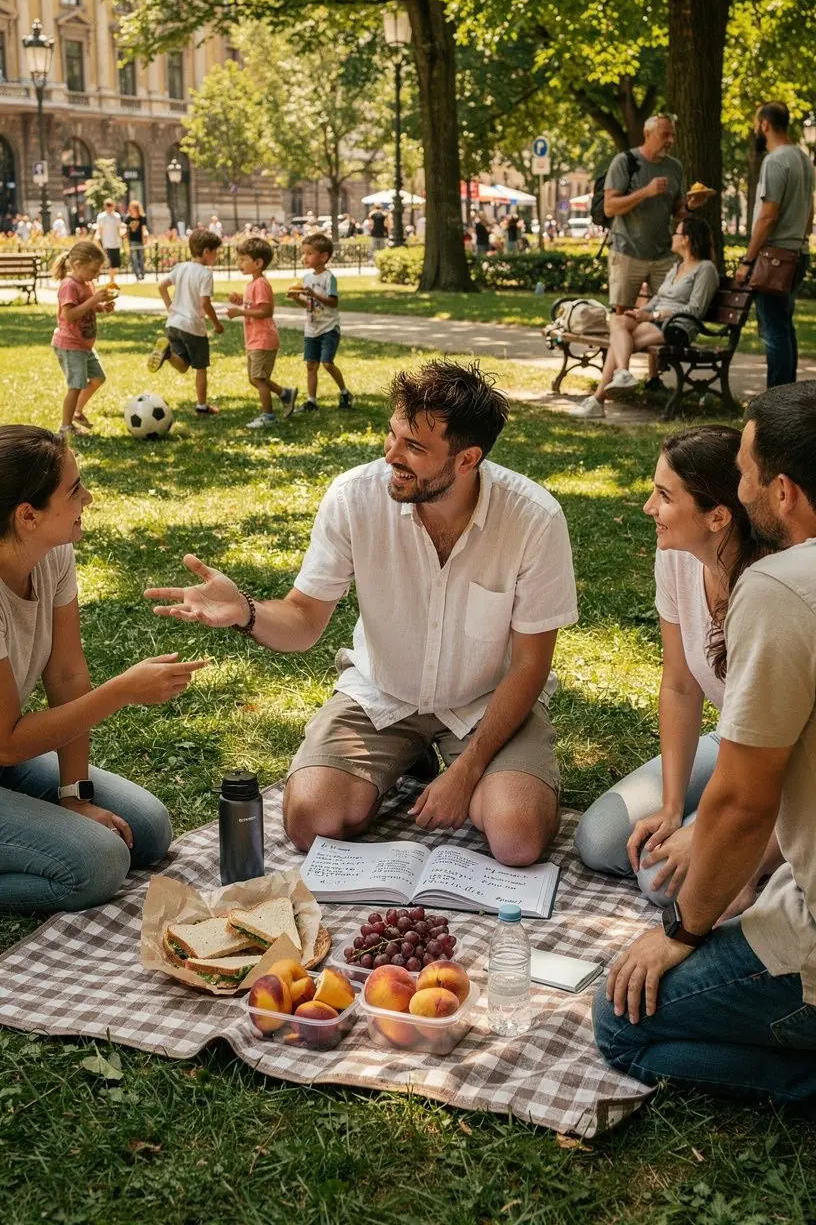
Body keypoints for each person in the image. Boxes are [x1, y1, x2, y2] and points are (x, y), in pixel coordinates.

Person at [145, 359, 579, 866]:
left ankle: (460, 767)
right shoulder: (355, 497)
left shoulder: (534, 518)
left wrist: (467, 772)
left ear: (467, 460)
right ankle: (408, 755)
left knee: (517, 837)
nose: (390, 454)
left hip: (488, 702)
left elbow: (530, 664)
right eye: (393, 435)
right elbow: (304, 620)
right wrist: (246, 612)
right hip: (383, 696)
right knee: (311, 819)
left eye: (414, 447)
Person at [593, 382, 816, 1107]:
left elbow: (752, 803)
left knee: (620, 1019)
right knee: (624, 846)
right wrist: (679, 814)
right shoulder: (713, 572)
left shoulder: (780, 587)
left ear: (778, 493)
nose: (740, 478)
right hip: (778, 818)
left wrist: (681, 932)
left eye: (747, 469)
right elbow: (685, 693)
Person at [0, 426, 208, 914]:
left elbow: (67, 677)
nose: (88, 498)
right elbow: (7, 739)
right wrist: (122, 690)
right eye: (74, 491)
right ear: (28, 515)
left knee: (149, 831)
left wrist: (75, 796)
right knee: (99, 864)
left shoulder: (52, 554)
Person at [576, 425, 777, 910]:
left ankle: (774, 858)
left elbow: (784, 757)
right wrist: (670, 808)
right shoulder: (679, 560)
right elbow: (681, 687)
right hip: (733, 741)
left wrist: (713, 831)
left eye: (664, 496)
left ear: (718, 516)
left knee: (660, 881)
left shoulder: (774, 590)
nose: (648, 508)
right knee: (599, 840)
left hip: (789, 766)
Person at [570, 216, 720, 420]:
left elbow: (696, 308)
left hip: (678, 326)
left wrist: (655, 314)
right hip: (656, 321)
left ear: (687, 238)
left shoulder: (705, 269)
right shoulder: (677, 267)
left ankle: (599, 398)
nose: (672, 236)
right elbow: (659, 298)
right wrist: (641, 313)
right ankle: (620, 374)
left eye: (676, 232)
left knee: (620, 342)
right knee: (618, 320)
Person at [737, 102, 814, 389]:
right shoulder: (803, 158)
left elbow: (768, 216)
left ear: (765, 125)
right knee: (784, 327)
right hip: (797, 252)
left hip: (775, 258)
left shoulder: (775, 161)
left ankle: (776, 401)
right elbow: (810, 212)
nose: (757, 129)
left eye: (757, 124)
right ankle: (789, 397)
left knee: (774, 332)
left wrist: (747, 260)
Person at [604, 115, 693, 317]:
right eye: (665, 135)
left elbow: (679, 212)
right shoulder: (624, 162)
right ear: (647, 134)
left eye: (673, 135)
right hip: (627, 250)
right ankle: (621, 349)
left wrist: (691, 206)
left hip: (663, 254)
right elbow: (609, 208)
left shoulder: (675, 167)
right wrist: (646, 191)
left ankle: (649, 347)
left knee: (667, 312)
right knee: (622, 314)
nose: (671, 140)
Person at [148, 227, 224, 416]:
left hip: (174, 324)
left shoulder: (181, 267)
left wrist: (169, 308)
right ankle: (202, 406)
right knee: (200, 367)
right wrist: (216, 324)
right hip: (193, 327)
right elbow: (205, 303)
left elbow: (161, 286)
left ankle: (167, 355)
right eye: (216, 252)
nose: (217, 256)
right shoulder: (205, 274)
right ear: (206, 252)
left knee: (182, 365)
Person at [225, 236, 298, 427]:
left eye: (243, 260)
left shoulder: (261, 284)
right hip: (254, 339)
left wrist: (240, 311)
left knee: (259, 378)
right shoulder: (252, 284)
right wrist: (240, 301)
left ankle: (268, 416)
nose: (239, 263)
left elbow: (266, 311)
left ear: (258, 263)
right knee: (255, 378)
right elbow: (255, 306)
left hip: (263, 339)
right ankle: (285, 394)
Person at [50, 241, 116, 439]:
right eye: (94, 270)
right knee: (76, 385)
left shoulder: (87, 283)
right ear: (78, 265)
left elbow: (87, 306)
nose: (96, 275)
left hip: (84, 345)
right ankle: (65, 427)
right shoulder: (68, 285)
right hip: (70, 345)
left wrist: (101, 307)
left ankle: (77, 412)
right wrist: (94, 300)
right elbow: (69, 315)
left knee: (98, 378)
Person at [286, 233, 353, 413]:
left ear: (323, 256)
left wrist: (313, 294)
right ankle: (311, 400)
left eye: (309, 253)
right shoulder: (307, 278)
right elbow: (308, 304)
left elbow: (333, 302)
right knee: (311, 365)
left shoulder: (328, 278)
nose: (304, 257)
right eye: (303, 253)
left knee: (327, 363)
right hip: (312, 328)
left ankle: (345, 392)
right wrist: (296, 298)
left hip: (329, 327)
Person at [94, 199, 124, 284]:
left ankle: (112, 280)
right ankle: (111, 281)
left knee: (115, 264)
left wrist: (121, 239)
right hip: (106, 243)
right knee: (108, 263)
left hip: (116, 243)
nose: (109, 207)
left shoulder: (117, 216)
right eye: (107, 205)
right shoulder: (101, 216)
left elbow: (118, 229)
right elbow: (100, 230)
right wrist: (99, 241)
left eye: (110, 205)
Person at [123, 200, 149, 281]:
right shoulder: (128, 218)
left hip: (140, 239)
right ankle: (137, 274)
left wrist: (145, 235)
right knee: (134, 258)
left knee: (141, 257)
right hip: (132, 240)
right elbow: (124, 228)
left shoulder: (142, 217)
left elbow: (144, 228)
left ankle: (142, 273)